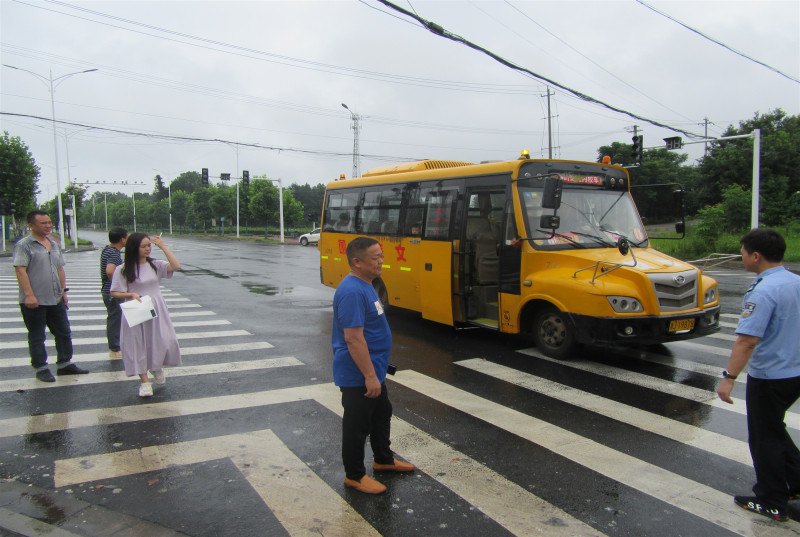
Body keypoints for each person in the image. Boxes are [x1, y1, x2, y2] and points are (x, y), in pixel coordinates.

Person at [717, 228, 800, 522]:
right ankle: (796, 483)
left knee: (764, 438)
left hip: (770, 375)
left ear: (755, 256)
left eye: (742, 252)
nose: (741, 257)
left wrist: (729, 377)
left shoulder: (763, 290)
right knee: (774, 429)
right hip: (795, 372)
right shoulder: (794, 281)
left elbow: (747, 340)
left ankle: (771, 500)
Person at [331, 236, 414, 494]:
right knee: (357, 426)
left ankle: (383, 460)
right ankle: (355, 476)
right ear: (357, 261)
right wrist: (369, 376)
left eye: (381, 255)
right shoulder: (353, 291)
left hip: (374, 369)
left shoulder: (367, 284)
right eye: (375, 257)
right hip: (359, 373)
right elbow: (353, 339)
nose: (381, 261)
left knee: (381, 413)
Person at [13, 210, 88, 382]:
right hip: (35, 300)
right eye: (43, 223)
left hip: (56, 298)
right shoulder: (24, 245)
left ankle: (64, 364)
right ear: (31, 225)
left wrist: (64, 291)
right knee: (37, 335)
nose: (48, 225)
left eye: (49, 222)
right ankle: (41, 368)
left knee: (63, 332)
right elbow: (20, 270)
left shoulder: (52, 244)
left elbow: (59, 268)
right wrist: (29, 295)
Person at [110, 232, 181, 397]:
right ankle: (144, 382)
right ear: (134, 248)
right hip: (137, 309)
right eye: (144, 246)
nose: (147, 249)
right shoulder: (123, 269)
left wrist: (162, 246)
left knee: (162, 340)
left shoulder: (155, 264)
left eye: (149, 245)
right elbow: (114, 292)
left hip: (156, 308)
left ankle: (156, 367)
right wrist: (130, 295)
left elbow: (175, 266)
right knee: (137, 345)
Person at [101, 227, 128, 358]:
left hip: (108, 291)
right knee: (115, 319)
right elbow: (110, 271)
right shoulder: (113, 253)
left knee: (116, 318)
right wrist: (117, 285)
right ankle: (115, 347)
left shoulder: (108, 250)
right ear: (122, 239)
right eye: (127, 237)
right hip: (112, 293)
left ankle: (117, 344)